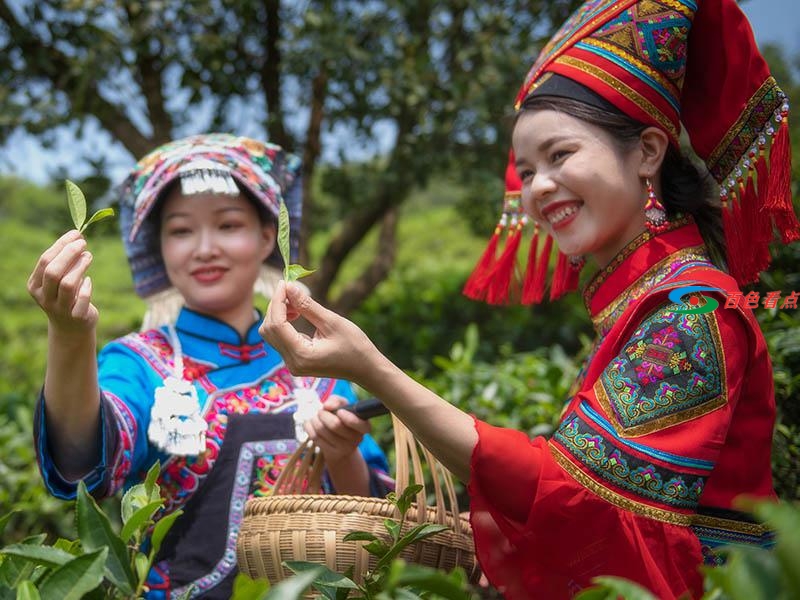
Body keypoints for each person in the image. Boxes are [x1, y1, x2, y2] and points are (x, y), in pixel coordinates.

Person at [259, 1, 799, 598]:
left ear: (647, 151)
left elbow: (572, 493)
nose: (540, 187)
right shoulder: (645, 302)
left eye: (560, 156)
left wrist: (372, 369)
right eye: (526, 169)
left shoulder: (691, 313)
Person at [27, 134, 392, 599]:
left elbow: (373, 526)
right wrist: (71, 338)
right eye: (181, 230)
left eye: (228, 225)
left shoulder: (319, 364)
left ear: (266, 237)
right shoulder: (138, 362)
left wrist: (342, 454)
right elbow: (79, 462)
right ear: (160, 248)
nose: (204, 249)